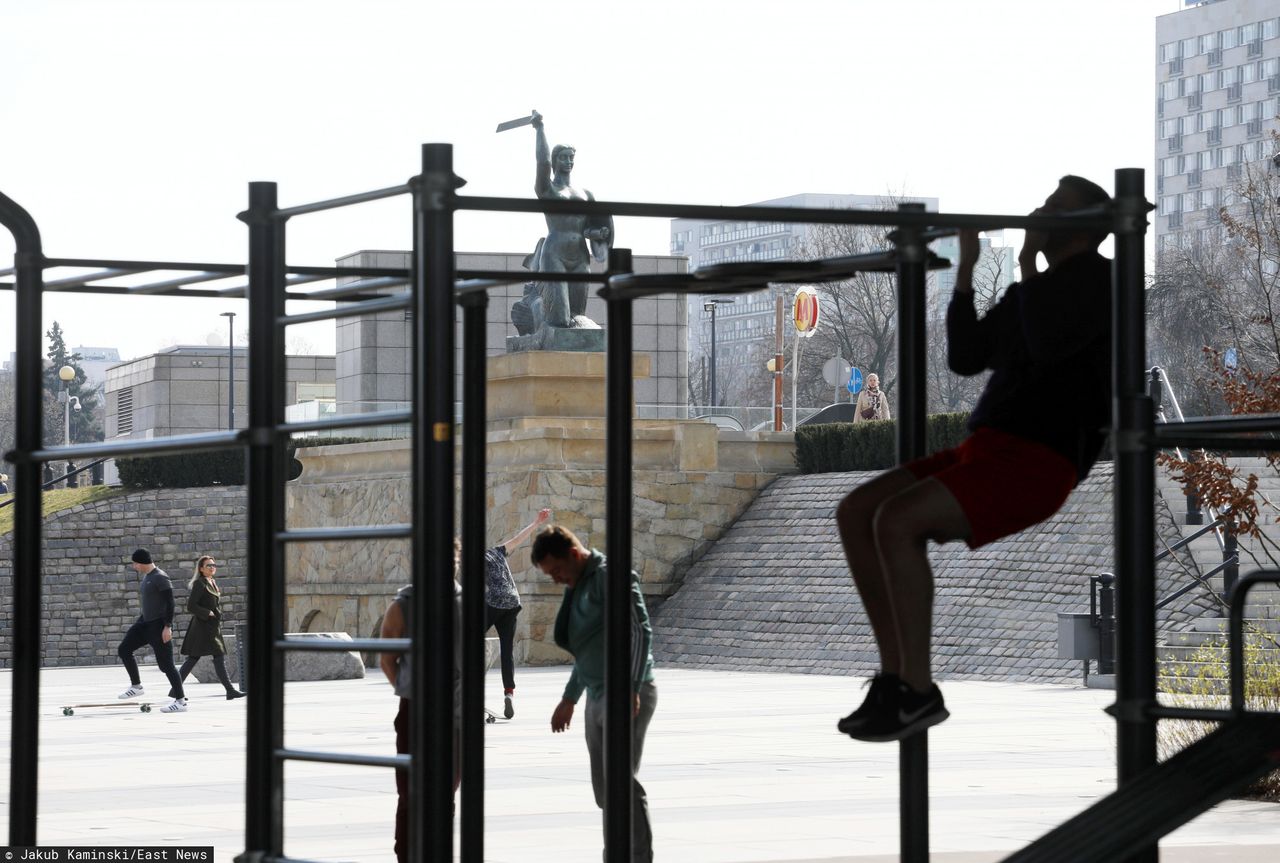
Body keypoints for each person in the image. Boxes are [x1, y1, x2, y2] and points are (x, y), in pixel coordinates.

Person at [834, 175, 1113, 743]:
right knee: (857, 510)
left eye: (1055, 207)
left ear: (1081, 227)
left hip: (1040, 457)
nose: (1038, 210)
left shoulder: (1098, 282)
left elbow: (1049, 344)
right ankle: (897, 680)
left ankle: (916, 687)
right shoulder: (1030, 291)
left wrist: (1030, 269)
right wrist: (966, 268)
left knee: (896, 520)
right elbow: (965, 357)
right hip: (988, 446)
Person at [532, 525, 657, 863]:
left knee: (620, 783)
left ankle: (637, 857)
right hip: (597, 695)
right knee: (605, 790)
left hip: (628, 691)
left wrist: (630, 686)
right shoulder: (578, 585)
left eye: (556, 570)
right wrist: (570, 698)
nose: (556, 579)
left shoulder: (608, 577)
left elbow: (639, 630)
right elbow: (589, 650)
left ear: (574, 554)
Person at [380, 540, 461, 863]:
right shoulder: (404, 605)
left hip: (455, 712)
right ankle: (407, 856)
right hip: (415, 710)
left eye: (452, 559)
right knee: (410, 793)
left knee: (446, 792)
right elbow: (388, 659)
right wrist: (411, 690)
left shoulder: (465, 599)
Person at [524, 110, 612, 329]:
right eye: (563, 157)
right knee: (559, 320)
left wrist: (600, 234)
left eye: (571, 157)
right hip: (555, 254)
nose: (568, 161)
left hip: (580, 256)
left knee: (577, 319)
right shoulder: (548, 190)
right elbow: (542, 163)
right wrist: (540, 129)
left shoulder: (585, 194)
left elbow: (590, 228)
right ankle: (535, 306)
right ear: (555, 160)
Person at [484, 507, 552, 719]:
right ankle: (509, 693)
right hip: (513, 601)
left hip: (495, 603)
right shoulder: (498, 551)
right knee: (507, 651)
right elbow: (518, 538)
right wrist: (536, 522)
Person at [116, 548, 189, 713]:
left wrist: (168, 627)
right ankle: (136, 686)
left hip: (158, 627)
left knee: (166, 666)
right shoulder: (147, 577)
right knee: (124, 649)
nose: (134, 566)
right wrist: (140, 621)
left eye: (135, 563)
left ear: (141, 562)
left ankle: (180, 702)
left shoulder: (160, 577)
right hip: (144, 624)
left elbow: (170, 603)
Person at [172, 555, 246, 700]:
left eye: (213, 565)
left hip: (211, 627)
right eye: (208, 565)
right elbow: (191, 606)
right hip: (203, 627)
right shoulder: (200, 584)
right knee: (201, 658)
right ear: (201, 569)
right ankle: (230, 690)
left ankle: (176, 690)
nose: (212, 567)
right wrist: (208, 612)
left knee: (204, 658)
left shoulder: (211, 581)